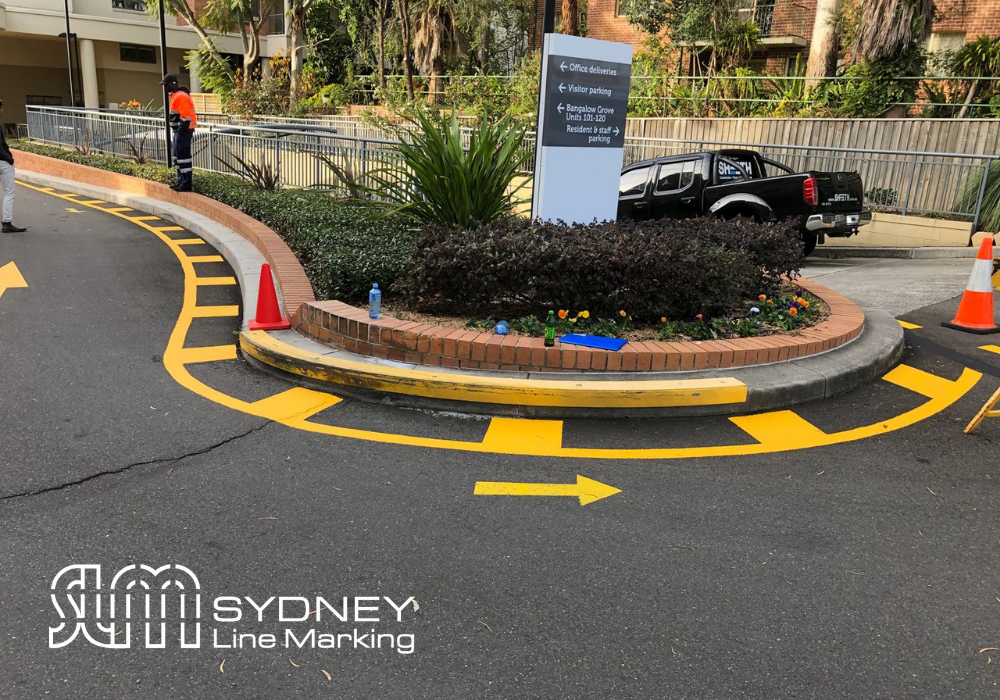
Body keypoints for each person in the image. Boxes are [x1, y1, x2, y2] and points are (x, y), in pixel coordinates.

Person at [159, 74, 197, 192]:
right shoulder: (176, 95)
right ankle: (181, 181)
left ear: (172, 83)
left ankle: (186, 184)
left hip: (184, 132)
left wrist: (180, 131)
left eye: (166, 85)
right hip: (179, 132)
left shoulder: (180, 96)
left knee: (183, 157)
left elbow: (185, 117)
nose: (165, 88)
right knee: (178, 157)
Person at [0, 99, 27, 233]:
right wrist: (9, 159)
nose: (2, 110)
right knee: (9, 192)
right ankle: (7, 222)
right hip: (3, 162)